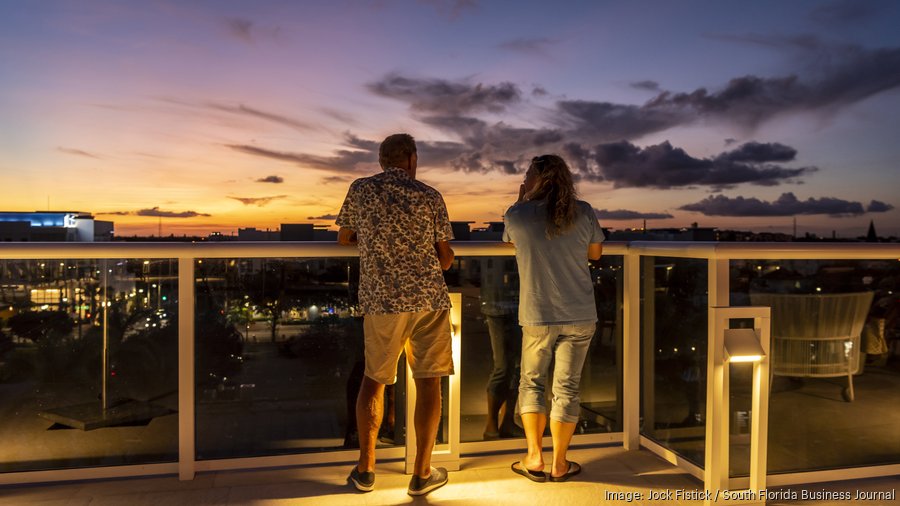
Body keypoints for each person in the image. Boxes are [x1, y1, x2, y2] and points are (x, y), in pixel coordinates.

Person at [337, 133, 455, 496]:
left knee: (373, 380)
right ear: (412, 159)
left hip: (382, 301)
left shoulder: (361, 189)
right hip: (428, 299)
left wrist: (376, 242)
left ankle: (366, 470)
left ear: (381, 160)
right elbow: (445, 258)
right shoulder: (429, 195)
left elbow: (344, 238)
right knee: (429, 381)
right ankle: (421, 474)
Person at [504, 154, 604, 483]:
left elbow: (510, 241)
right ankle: (560, 463)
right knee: (567, 388)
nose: (525, 179)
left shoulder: (517, 214)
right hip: (579, 312)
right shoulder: (584, 211)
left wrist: (521, 201)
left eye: (528, 174)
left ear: (537, 180)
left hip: (538, 313)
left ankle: (535, 457)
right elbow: (595, 253)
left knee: (532, 382)